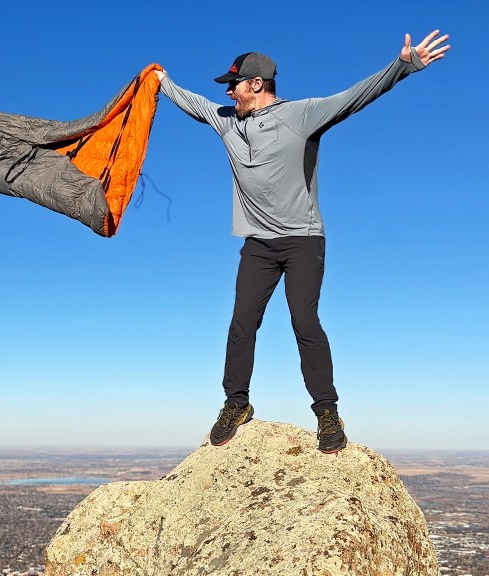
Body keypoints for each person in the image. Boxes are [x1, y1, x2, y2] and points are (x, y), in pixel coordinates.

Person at [154, 31, 450, 452]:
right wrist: (160, 80)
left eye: (233, 84)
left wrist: (404, 65)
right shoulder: (226, 120)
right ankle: (236, 404)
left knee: (304, 322)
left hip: (303, 241)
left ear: (256, 84)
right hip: (258, 243)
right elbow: (194, 103)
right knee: (241, 324)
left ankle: (327, 413)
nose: (228, 92)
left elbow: (355, 96)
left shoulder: (302, 115)